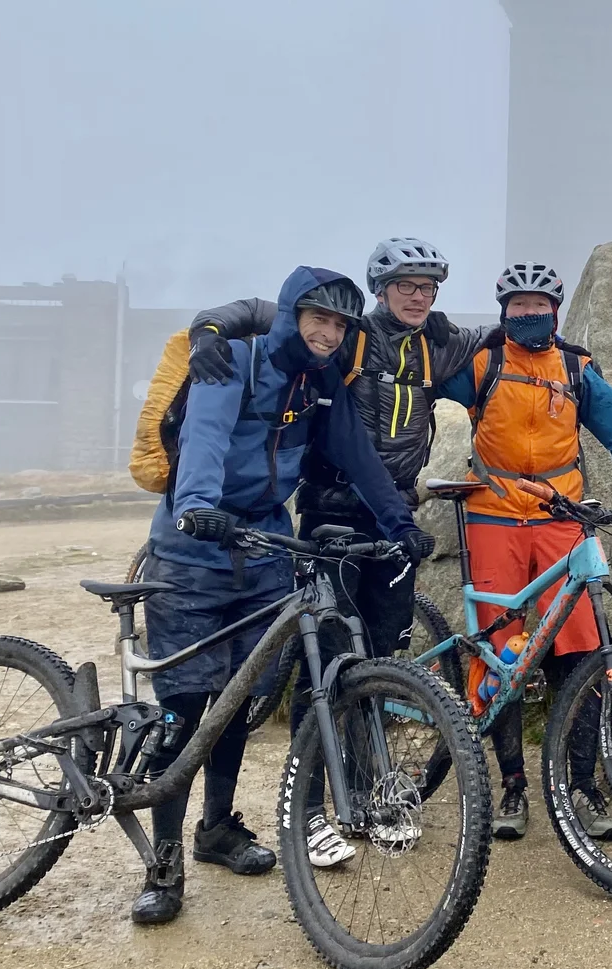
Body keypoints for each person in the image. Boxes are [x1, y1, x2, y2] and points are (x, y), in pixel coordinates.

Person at [134, 267, 434, 926]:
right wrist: (197, 507)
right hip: (194, 551)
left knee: (237, 704)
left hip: (265, 551)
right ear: (291, 316)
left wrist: (400, 524)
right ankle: (163, 860)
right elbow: (208, 438)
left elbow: (356, 454)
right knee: (185, 708)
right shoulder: (234, 360)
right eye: (317, 320)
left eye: (339, 326)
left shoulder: (321, 383)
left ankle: (216, 829)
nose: (328, 335)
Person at [185, 238, 491, 867]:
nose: (417, 295)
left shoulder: (440, 342)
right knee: (322, 659)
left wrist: (564, 346)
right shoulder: (345, 332)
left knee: (378, 661)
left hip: (388, 514)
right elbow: (261, 312)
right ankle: (313, 808)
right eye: (405, 284)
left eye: (428, 286)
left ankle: (369, 789)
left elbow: (503, 334)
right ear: (382, 287)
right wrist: (208, 328)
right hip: (329, 513)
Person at [437, 262, 612, 841]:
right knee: (499, 654)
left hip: (562, 518)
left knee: (583, 651)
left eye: (539, 306)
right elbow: (414, 388)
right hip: (492, 517)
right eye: (517, 307)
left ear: (557, 312)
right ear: (502, 312)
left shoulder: (576, 368)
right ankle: (512, 786)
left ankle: (581, 788)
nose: (528, 315)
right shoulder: (482, 363)